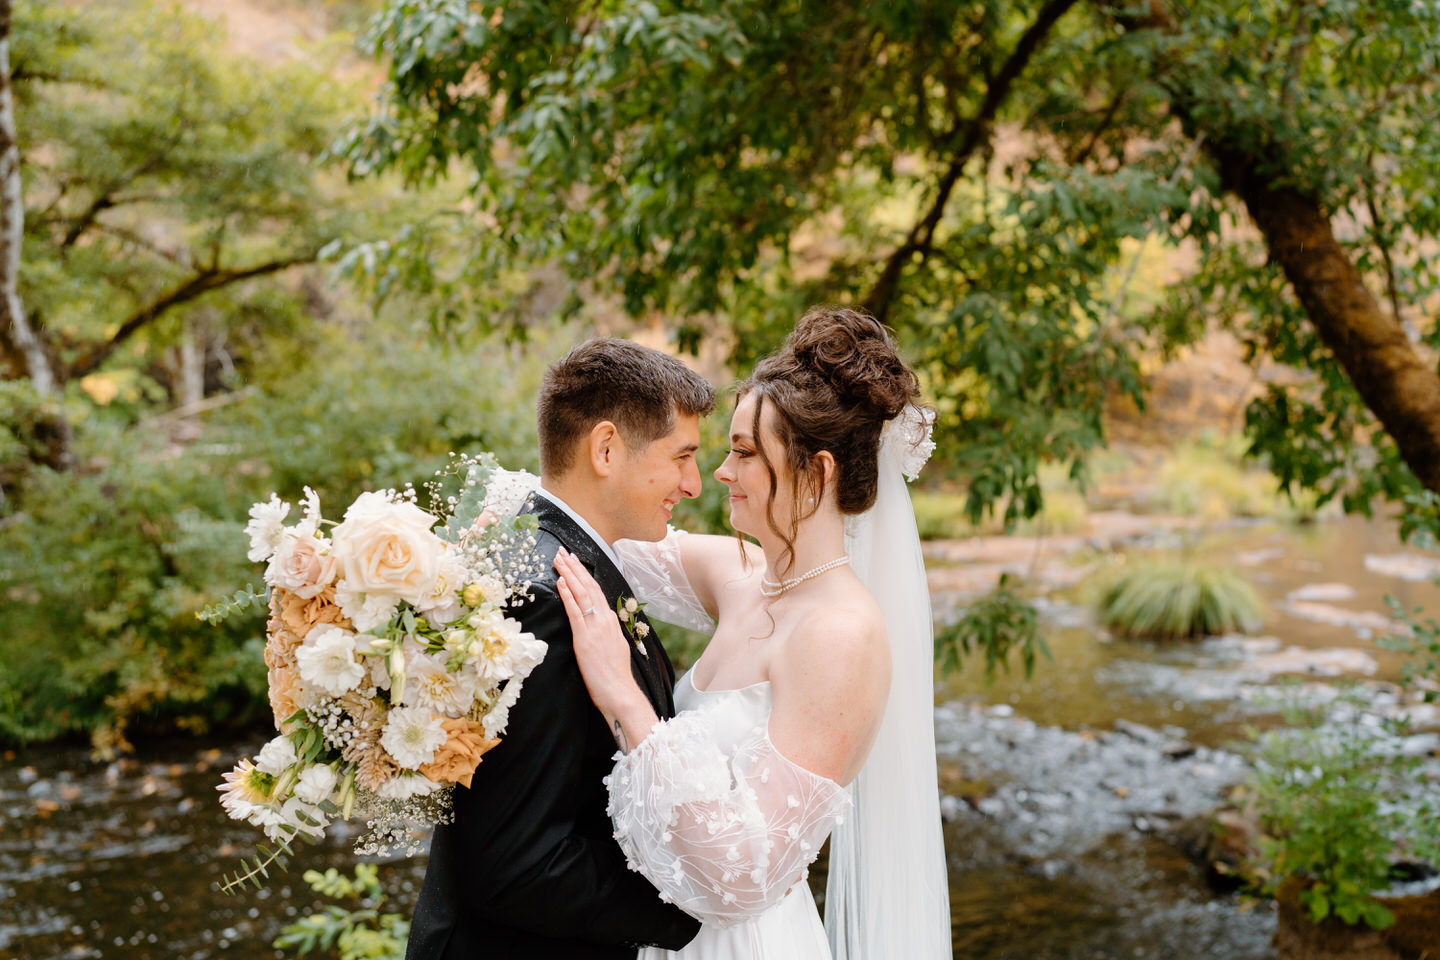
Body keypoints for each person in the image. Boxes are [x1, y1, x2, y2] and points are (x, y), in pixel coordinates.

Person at [553, 306, 952, 959]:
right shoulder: (741, 574)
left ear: (816, 473)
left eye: (742, 453)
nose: (719, 474)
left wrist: (622, 698)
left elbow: (744, 873)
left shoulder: (840, 635)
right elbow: (590, 534)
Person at [405, 338, 715, 960]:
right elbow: (515, 863)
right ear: (605, 449)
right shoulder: (545, 598)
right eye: (682, 456)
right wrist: (692, 905)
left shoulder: (531, 552)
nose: (693, 483)